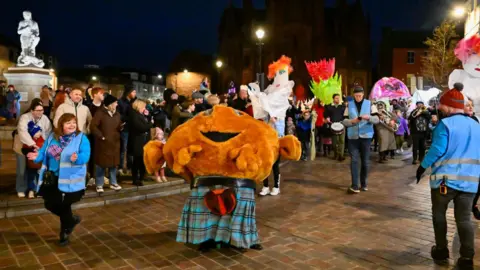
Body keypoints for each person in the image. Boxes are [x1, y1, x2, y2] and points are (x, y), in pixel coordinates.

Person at [416, 83, 480, 270]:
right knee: (464, 219)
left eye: (442, 105)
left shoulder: (445, 124)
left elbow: (437, 149)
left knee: (439, 215)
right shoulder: (476, 125)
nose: (440, 108)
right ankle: (467, 258)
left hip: (445, 181)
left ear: (450, 106)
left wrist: (422, 167)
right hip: (469, 182)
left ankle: (442, 250)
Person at [27, 113, 90, 246]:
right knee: (49, 204)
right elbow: (43, 152)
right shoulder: (52, 137)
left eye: (74, 122)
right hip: (53, 178)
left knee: (64, 205)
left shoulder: (81, 138)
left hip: (70, 180)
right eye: (68, 123)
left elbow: (85, 155)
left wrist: (77, 158)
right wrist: (36, 157)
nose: (72, 125)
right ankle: (71, 221)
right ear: (61, 125)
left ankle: (64, 234)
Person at [341, 86, 379, 194]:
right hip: (353, 137)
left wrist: (369, 118)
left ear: (363, 94)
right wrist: (352, 121)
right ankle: (355, 185)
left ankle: (364, 183)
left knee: (365, 162)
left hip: (366, 136)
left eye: (360, 95)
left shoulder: (370, 104)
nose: (358, 97)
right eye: (356, 95)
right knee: (354, 160)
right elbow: (344, 121)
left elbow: (377, 120)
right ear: (353, 95)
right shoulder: (349, 105)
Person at [16, 98, 52, 198]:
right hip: (23, 146)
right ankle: (21, 188)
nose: (41, 112)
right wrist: (32, 143)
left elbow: (48, 131)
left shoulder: (44, 118)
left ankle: (35, 189)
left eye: (42, 110)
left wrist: (42, 136)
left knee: (37, 168)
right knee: (22, 169)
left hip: (39, 147)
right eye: (38, 110)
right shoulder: (25, 117)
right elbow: (22, 131)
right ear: (32, 110)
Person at [90, 95, 122, 193]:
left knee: (113, 164)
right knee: (101, 164)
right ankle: (99, 184)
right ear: (110, 104)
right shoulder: (100, 113)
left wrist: (121, 127)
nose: (117, 104)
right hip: (103, 143)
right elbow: (93, 126)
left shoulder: (117, 114)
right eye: (115, 103)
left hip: (114, 143)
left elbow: (118, 125)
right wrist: (101, 136)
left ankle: (113, 182)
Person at [128, 100, 152, 186]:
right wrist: (150, 123)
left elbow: (146, 124)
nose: (144, 109)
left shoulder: (141, 115)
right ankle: (135, 179)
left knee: (142, 160)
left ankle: (142, 176)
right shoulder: (135, 116)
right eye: (143, 107)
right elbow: (142, 127)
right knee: (137, 161)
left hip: (144, 141)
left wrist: (148, 116)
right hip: (137, 142)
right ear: (139, 107)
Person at [117, 86, 137, 175]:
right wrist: (127, 118)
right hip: (125, 128)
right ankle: (120, 167)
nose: (135, 94)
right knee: (123, 148)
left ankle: (129, 167)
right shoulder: (121, 102)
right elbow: (119, 114)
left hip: (132, 128)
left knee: (131, 149)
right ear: (128, 92)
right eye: (133, 92)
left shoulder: (135, 102)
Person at [324, 94, 346, 161]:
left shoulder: (342, 106)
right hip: (333, 125)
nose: (338, 99)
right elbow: (326, 114)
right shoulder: (329, 106)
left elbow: (345, 115)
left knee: (342, 141)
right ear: (333, 99)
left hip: (341, 124)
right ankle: (336, 154)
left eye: (338, 98)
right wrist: (327, 118)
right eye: (336, 98)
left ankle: (341, 156)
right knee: (334, 142)